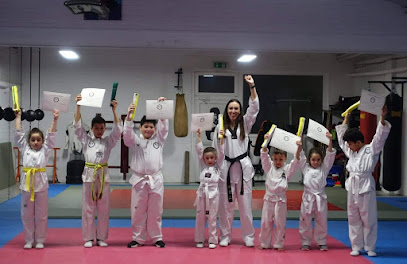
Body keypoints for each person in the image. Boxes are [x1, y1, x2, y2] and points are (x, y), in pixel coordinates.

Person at [336, 107, 391, 257]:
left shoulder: (370, 150)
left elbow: (379, 138)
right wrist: (345, 120)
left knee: (368, 217)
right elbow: (341, 140)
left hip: (366, 185)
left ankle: (370, 246)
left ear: (359, 142)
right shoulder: (351, 151)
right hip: (352, 186)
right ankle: (356, 246)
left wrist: (381, 120)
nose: (348, 147)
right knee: (353, 217)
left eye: (351, 144)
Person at [212, 75, 259, 247]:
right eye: (231, 108)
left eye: (236, 108)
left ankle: (249, 236)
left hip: (242, 167)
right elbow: (216, 149)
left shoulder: (245, 124)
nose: (233, 111)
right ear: (227, 110)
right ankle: (225, 235)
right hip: (225, 167)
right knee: (225, 205)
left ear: (240, 111)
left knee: (245, 204)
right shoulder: (220, 126)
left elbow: (253, 108)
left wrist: (252, 86)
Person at [74, 94, 122, 248]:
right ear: (92, 129)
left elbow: (118, 130)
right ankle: (88, 237)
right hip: (89, 175)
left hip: (103, 176)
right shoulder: (86, 140)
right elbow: (77, 125)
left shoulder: (108, 141)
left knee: (103, 208)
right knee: (88, 208)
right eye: (97, 128)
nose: (100, 131)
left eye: (102, 128)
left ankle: (101, 237)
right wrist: (78, 106)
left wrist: (115, 110)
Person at [124, 97, 168, 248]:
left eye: (151, 127)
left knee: (156, 210)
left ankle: (157, 237)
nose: (149, 129)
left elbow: (164, 129)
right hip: (139, 180)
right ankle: (138, 238)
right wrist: (129, 118)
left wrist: (161, 108)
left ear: (155, 128)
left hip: (155, 179)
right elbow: (127, 135)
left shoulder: (159, 141)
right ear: (140, 127)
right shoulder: (135, 141)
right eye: (146, 127)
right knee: (138, 210)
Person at [14, 108, 59, 249]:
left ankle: (39, 239)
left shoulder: (45, 150)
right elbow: (18, 134)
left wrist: (55, 119)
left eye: (38, 140)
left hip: (41, 186)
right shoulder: (25, 149)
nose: (35, 142)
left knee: (41, 215)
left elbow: (51, 136)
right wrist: (18, 117)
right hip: (27, 186)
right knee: (26, 214)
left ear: (42, 141)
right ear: (29, 141)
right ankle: (28, 239)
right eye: (32, 140)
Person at [259, 136, 301, 250]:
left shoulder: (287, 170)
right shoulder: (269, 168)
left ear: (285, 159)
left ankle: (279, 243)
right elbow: (264, 155)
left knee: (280, 223)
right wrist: (266, 140)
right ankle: (264, 243)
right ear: (273, 158)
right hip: (268, 199)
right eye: (276, 159)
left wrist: (298, 148)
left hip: (280, 199)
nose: (278, 162)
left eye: (281, 160)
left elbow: (296, 162)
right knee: (265, 222)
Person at [298, 132, 336, 251]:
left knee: (321, 220)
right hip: (308, 198)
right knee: (305, 220)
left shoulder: (324, 168)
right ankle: (305, 242)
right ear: (309, 160)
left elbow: (330, 155)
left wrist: (330, 141)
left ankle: (321, 241)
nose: (316, 162)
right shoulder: (305, 168)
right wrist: (299, 141)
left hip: (320, 197)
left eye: (318, 159)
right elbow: (301, 154)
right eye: (313, 160)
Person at [194, 128, 224, 249]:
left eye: (212, 158)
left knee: (212, 218)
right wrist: (199, 138)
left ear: (215, 158)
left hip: (213, 195)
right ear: (204, 159)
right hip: (202, 194)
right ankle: (199, 239)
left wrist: (221, 140)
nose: (210, 160)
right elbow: (199, 151)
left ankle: (213, 239)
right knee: (200, 218)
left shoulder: (218, 166)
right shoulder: (202, 166)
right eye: (207, 158)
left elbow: (222, 154)